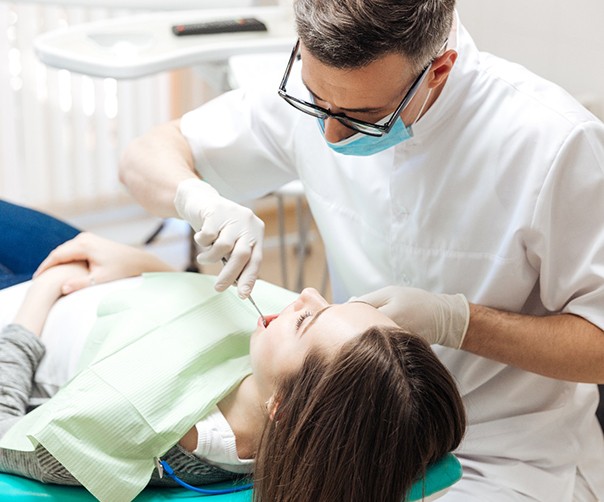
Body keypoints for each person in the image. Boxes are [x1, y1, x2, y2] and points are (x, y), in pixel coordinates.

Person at [117, 0, 604, 499]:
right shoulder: (326, 91)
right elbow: (143, 158)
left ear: (438, 70)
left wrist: (458, 322)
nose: (330, 131)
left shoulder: (555, 143)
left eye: (364, 116)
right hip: (349, 441)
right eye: (316, 101)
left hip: (507, 457)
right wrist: (195, 199)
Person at [0, 211, 466, 502]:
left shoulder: (132, 438)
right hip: (120, 276)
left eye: (308, 320)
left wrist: (41, 294)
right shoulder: (294, 379)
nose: (304, 294)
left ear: (282, 407)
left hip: (26, 312)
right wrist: (147, 265)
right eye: (330, 302)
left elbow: (6, 427)